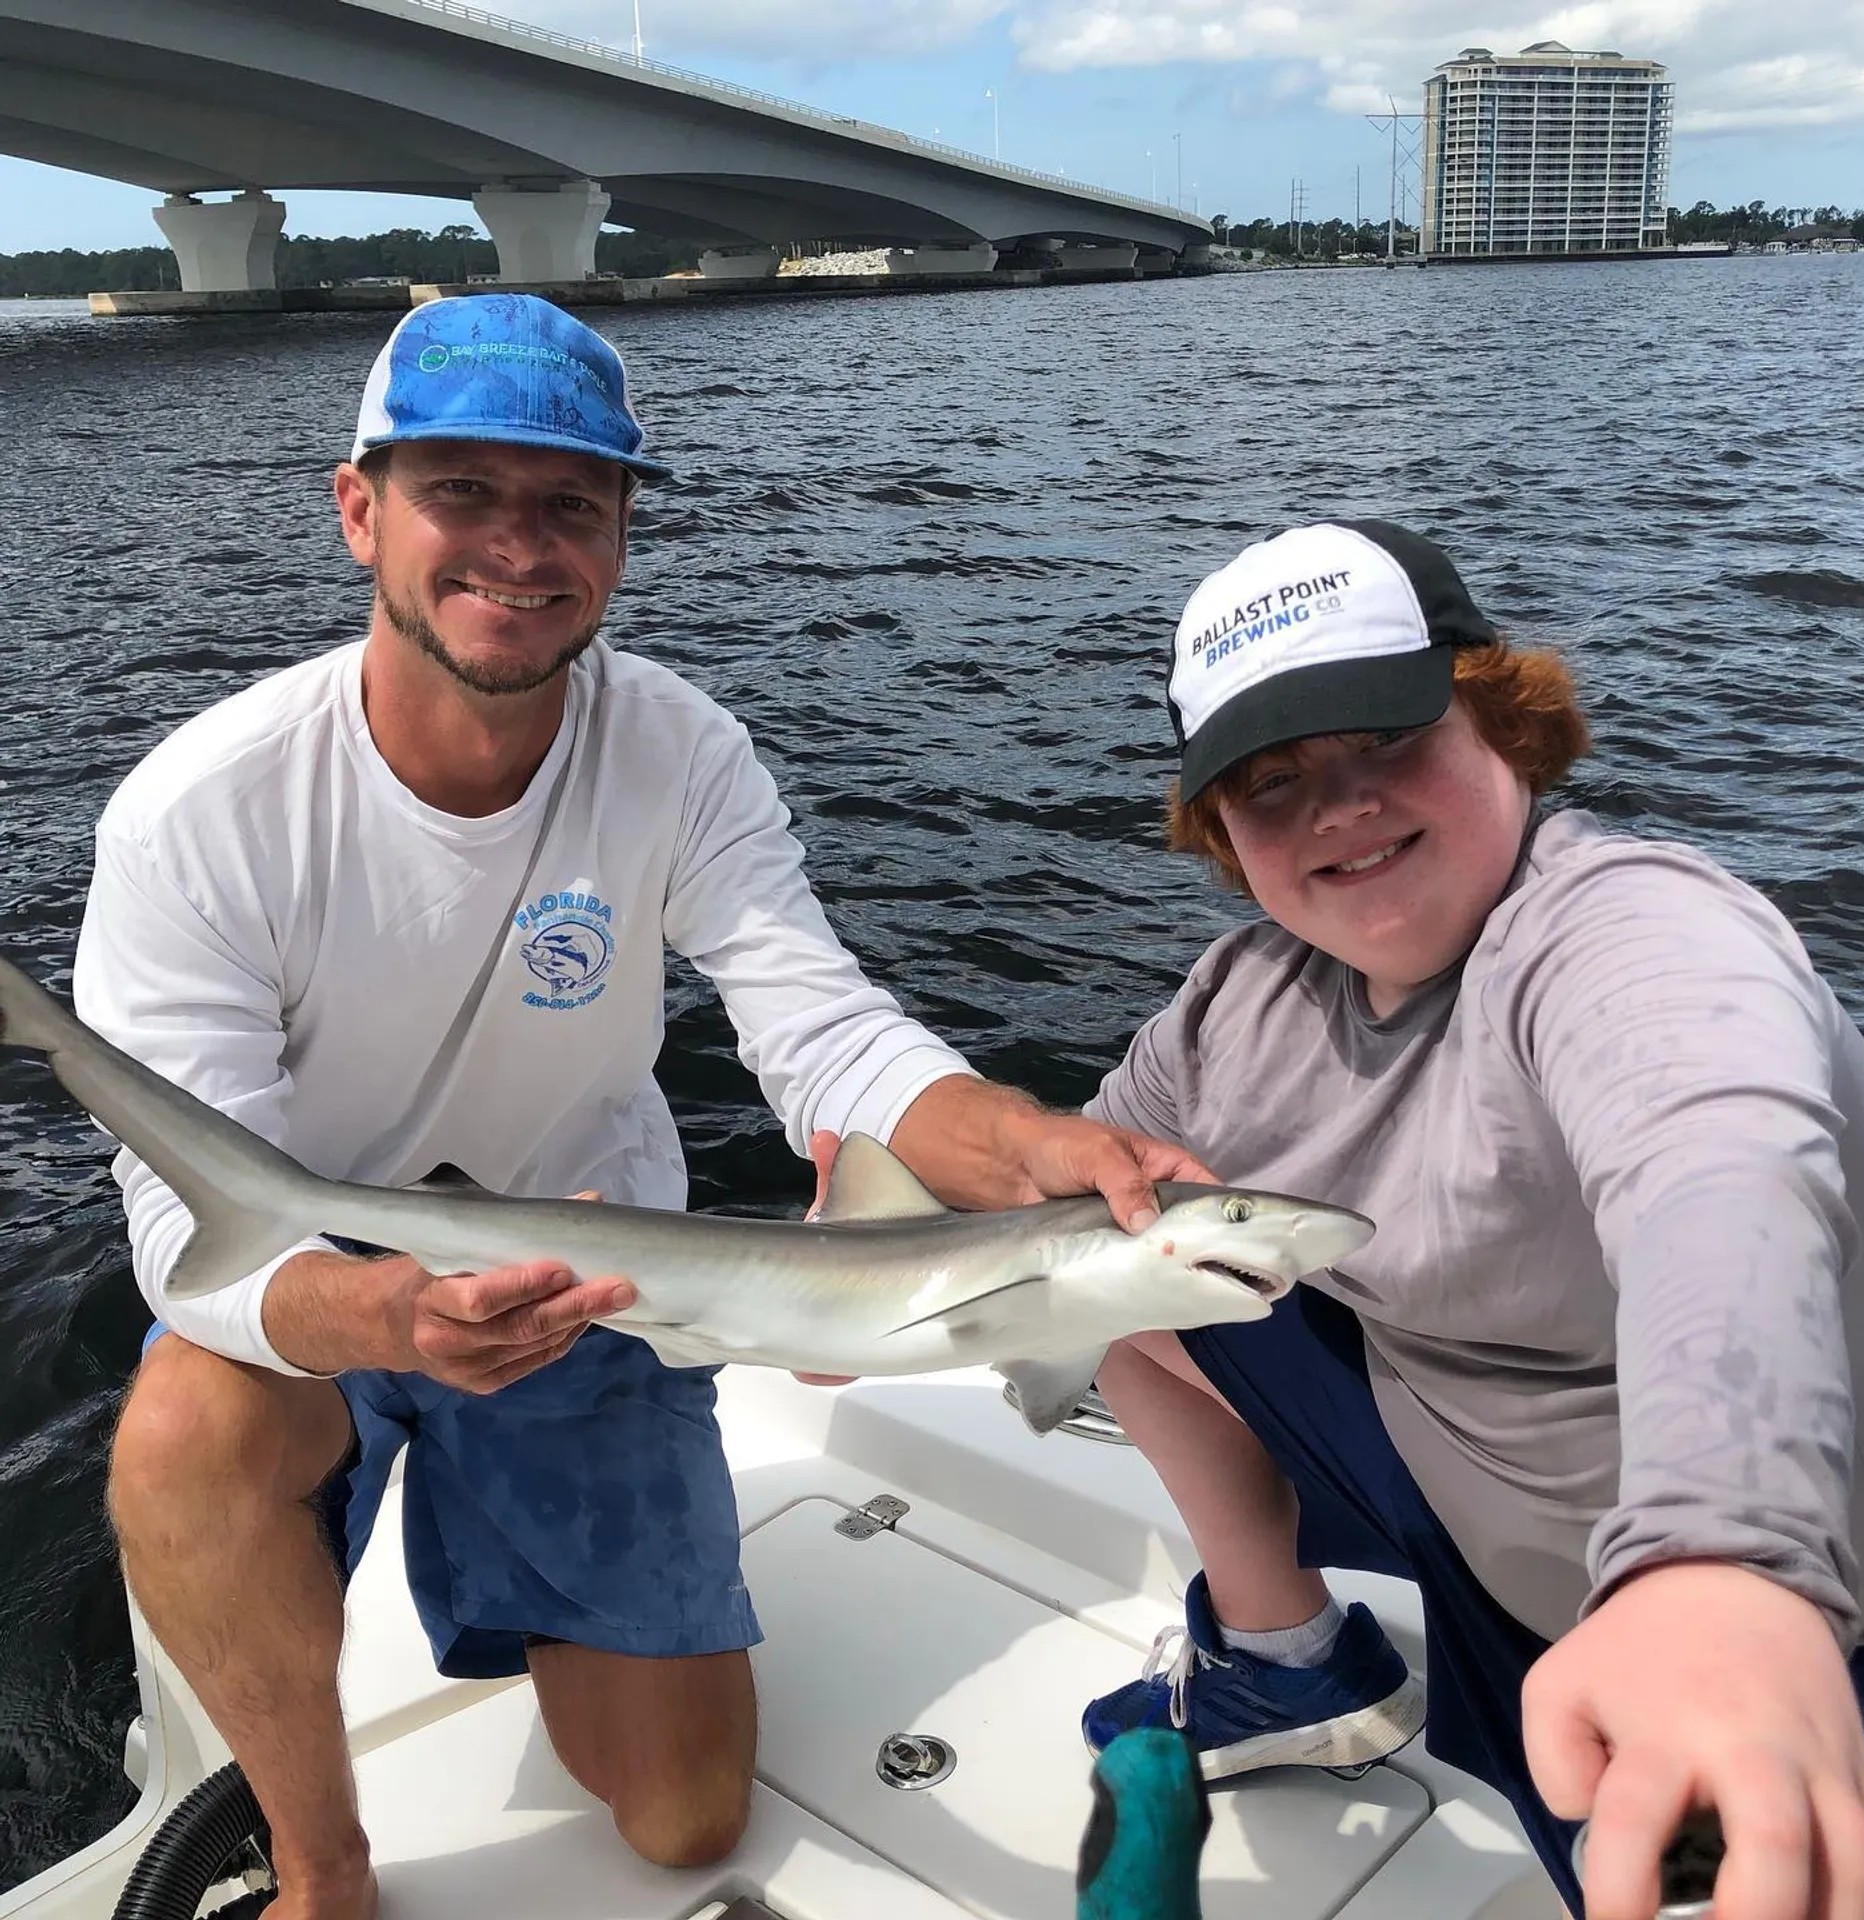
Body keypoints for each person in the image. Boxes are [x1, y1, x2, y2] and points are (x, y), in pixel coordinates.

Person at [80, 294, 1205, 1920]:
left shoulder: (680, 752)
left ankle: (518, 1553)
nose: (518, 550)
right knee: (178, 1434)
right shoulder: (206, 814)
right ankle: (324, 1870)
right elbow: (195, 1233)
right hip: (332, 1293)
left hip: (607, 1291)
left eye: (571, 505)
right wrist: (396, 1313)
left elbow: (821, 1029)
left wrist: (1025, 1145)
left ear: (620, 537)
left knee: (682, 1819)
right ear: (357, 512)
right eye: (462, 491)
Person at [1077, 519, 1864, 1920]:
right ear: (1217, 829)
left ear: (1505, 723)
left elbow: (1719, 1176)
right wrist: (854, 1279)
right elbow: (1083, 1178)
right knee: (1123, 1283)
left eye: (1387, 736)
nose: (1340, 805)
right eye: (1272, 780)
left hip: (1722, 1586)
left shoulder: (1629, 931)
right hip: (1452, 1469)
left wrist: (1723, 1556)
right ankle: (1284, 1666)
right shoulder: (1240, 1004)